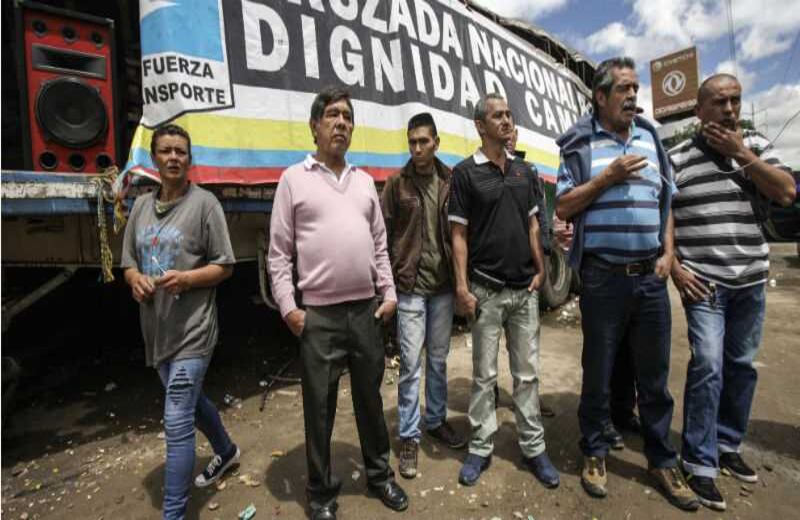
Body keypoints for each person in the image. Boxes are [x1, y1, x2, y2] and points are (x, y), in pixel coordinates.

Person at [555, 56, 697, 510]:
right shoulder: (580, 146)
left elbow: (666, 199)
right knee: (598, 371)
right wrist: (608, 177)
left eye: (636, 88)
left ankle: (661, 458)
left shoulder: (651, 138)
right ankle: (594, 450)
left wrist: (669, 253)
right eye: (624, 89)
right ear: (600, 97)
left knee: (654, 377)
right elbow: (563, 206)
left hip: (650, 280)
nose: (634, 96)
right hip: (602, 279)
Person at [268, 86, 408, 520]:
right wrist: (289, 307)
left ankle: (380, 476)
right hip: (319, 317)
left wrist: (389, 292)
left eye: (347, 116)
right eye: (332, 115)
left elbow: (380, 246)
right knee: (320, 407)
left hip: (365, 312)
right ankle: (322, 493)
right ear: (315, 126)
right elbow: (278, 253)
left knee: (369, 399)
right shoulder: (294, 179)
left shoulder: (365, 182)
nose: (341, 123)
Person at [669, 73, 796, 511]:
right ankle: (699, 462)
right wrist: (676, 268)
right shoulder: (679, 158)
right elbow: (663, 215)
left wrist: (740, 153)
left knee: (741, 366)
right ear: (700, 109)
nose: (729, 109)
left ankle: (727, 443)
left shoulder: (758, 148)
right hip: (705, 282)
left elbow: (786, 191)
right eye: (719, 102)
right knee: (707, 364)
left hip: (750, 282)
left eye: (735, 101)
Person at [121, 124, 239, 520]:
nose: (174, 157)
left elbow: (225, 264)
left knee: (176, 417)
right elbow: (128, 263)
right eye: (166, 151)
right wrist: (134, 278)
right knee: (190, 405)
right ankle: (226, 451)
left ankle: (173, 513)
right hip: (157, 331)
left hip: (193, 330)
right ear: (154, 158)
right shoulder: (140, 207)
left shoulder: (205, 205)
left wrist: (187, 279)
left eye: (181, 152)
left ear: (190, 160)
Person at [449, 92, 559, 489]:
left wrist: (541, 268)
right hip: (486, 291)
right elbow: (458, 235)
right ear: (480, 125)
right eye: (498, 116)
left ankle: (533, 447)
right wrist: (462, 286)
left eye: (509, 115)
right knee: (484, 375)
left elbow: (534, 224)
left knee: (527, 375)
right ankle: (480, 446)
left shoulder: (525, 173)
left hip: (524, 292)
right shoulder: (465, 174)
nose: (506, 121)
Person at [380, 112, 466, 480]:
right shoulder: (396, 184)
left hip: (443, 288)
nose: (417, 148)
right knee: (411, 366)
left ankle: (436, 421)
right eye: (412, 142)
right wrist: (388, 282)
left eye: (423, 141)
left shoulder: (451, 180)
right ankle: (410, 436)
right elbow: (381, 234)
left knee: (439, 361)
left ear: (436, 142)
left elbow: (463, 232)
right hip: (411, 287)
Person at [502, 127, 555, 419]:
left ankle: (530, 400)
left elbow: (540, 213)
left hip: (523, 270)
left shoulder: (528, 170)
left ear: (517, 136)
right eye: (503, 130)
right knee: (486, 346)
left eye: (512, 132)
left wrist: (544, 252)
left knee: (525, 343)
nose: (507, 135)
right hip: (491, 272)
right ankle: (492, 395)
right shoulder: (479, 168)